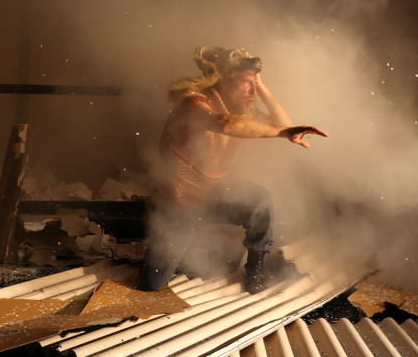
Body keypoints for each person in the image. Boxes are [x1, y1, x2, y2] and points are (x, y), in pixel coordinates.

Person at [139, 46, 327, 293]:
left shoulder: (242, 110)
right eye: (247, 83)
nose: (253, 91)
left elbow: (285, 126)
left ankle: (256, 271)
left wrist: (260, 85)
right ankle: (178, 254)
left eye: (255, 85)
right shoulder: (194, 103)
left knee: (259, 200)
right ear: (224, 83)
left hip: (212, 195)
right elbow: (226, 125)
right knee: (151, 285)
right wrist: (282, 132)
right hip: (178, 206)